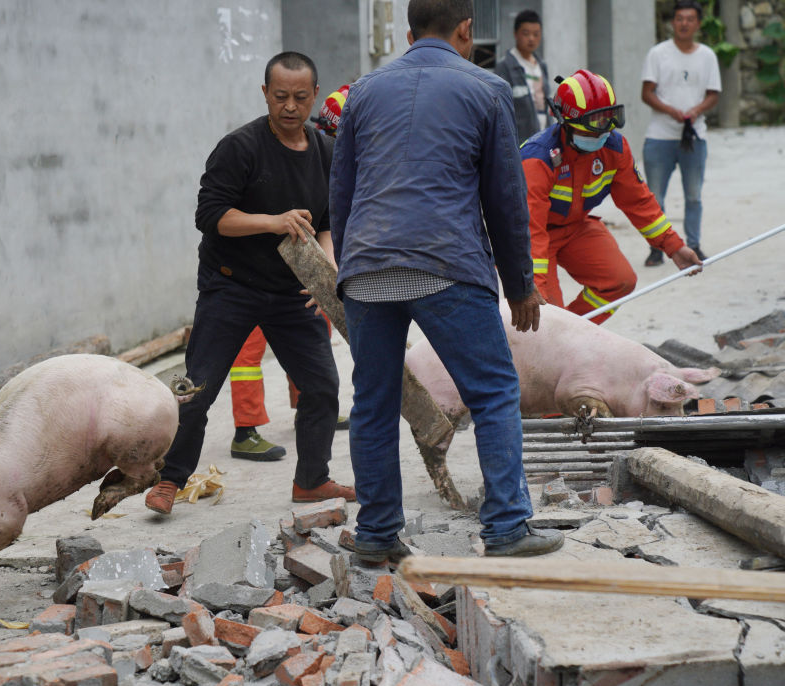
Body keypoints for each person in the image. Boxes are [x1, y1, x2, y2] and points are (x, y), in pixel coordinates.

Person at [330, 0, 563, 563]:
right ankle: (507, 526)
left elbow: (341, 192)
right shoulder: (487, 90)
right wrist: (520, 284)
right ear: (466, 29)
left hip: (367, 265)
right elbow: (505, 198)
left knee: (374, 401)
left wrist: (349, 267)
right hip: (446, 263)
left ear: (409, 33)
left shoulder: (363, 91)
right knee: (494, 390)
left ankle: (376, 534)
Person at [144, 52, 355, 515]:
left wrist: (326, 271)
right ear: (265, 94)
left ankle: (312, 480)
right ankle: (170, 480)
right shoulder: (239, 148)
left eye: (300, 97)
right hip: (231, 286)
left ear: (314, 95)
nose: (290, 106)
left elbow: (326, 223)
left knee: (322, 386)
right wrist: (272, 221)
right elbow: (210, 216)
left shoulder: (325, 152)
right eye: (280, 96)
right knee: (197, 389)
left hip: (291, 292)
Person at [228, 84, 353, 463]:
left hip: (304, 264)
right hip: (254, 272)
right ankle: (245, 431)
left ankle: (310, 407)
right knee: (247, 352)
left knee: (311, 337)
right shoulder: (283, 151)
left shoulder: (324, 152)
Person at [522, 69, 703, 324]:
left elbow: (638, 201)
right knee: (546, 316)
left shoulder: (614, 148)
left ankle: (576, 335)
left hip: (575, 227)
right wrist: (532, 287)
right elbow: (530, 231)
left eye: (608, 120)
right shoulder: (537, 160)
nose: (602, 133)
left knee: (620, 281)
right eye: (594, 125)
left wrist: (673, 246)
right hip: (531, 236)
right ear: (565, 123)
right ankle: (557, 336)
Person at [641, 0, 721, 266]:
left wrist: (696, 110)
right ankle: (657, 249)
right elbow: (646, 93)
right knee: (654, 198)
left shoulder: (707, 56)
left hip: (694, 136)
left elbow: (713, 94)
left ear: (698, 23)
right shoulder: (657, 54)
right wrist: (670, 110)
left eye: (689, 19)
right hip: (659, 136)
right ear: (672, 22)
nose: (684, 23)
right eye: (679, 18)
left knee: (694, 195)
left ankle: (694, 244)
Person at [494, 9, 551, 144]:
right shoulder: (505, 66)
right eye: (526, 33)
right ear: (515, 34)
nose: (531, 38)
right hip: (519, 142)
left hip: (544, 136)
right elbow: (499, 109)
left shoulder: (541, 65)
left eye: (536, 34)